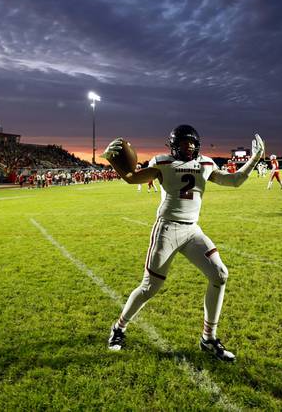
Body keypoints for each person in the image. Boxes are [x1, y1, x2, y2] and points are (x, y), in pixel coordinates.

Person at [102, 125, 265, 362]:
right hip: (167, 230)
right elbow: (131, 178)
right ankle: (119, 327)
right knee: (150, 288)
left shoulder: (206, 164)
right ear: (173, 145)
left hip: (191, 230)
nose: (188, 147)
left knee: (219, 274)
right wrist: (113, 161)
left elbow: (235, 181)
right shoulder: (162, 163)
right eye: (183, 143)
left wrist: (255, 158)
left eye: (191, 143)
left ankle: (208, 339)